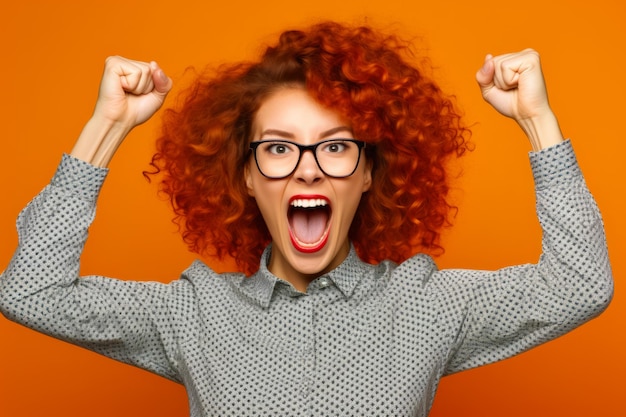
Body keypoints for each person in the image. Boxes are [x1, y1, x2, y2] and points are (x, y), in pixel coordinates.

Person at [0, 21, 613, 416]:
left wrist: (538, 122)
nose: (308, 170)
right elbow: (31, 293)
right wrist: (107, 125)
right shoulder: (192, 312)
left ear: (372, 172)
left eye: (337, 145)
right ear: (244, 174)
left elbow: (580, 285)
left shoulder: (427, 303)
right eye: (278, 147)